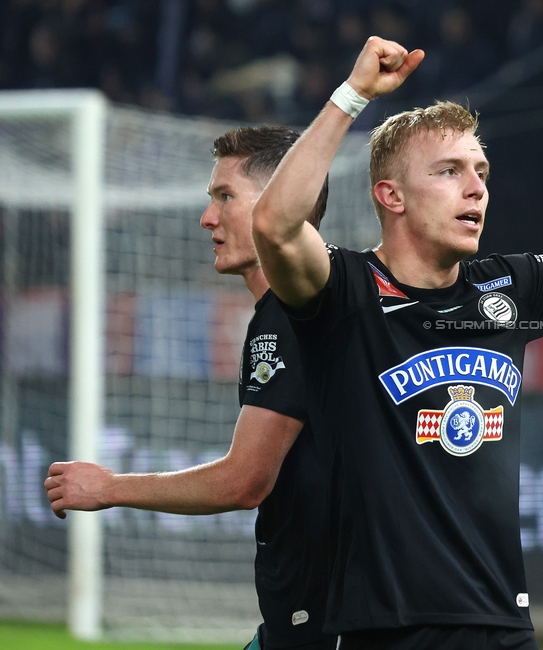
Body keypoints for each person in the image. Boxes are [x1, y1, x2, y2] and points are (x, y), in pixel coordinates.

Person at [250, 36, 543, 649]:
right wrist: (353, 94)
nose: (477, 188)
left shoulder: (510, 287)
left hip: (501, 626)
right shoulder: (344, 293)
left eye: (481, 172)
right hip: (381, 630)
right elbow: (275, 225)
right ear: (391, 195)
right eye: (449, 172)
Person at [43, 127, 335, 650]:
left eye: (225, 197)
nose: (207, 217)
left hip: (327, 623)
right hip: (304, 615)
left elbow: (244, 482)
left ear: (278, 205)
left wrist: (108, 488)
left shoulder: (292, 317)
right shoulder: (311, 304)